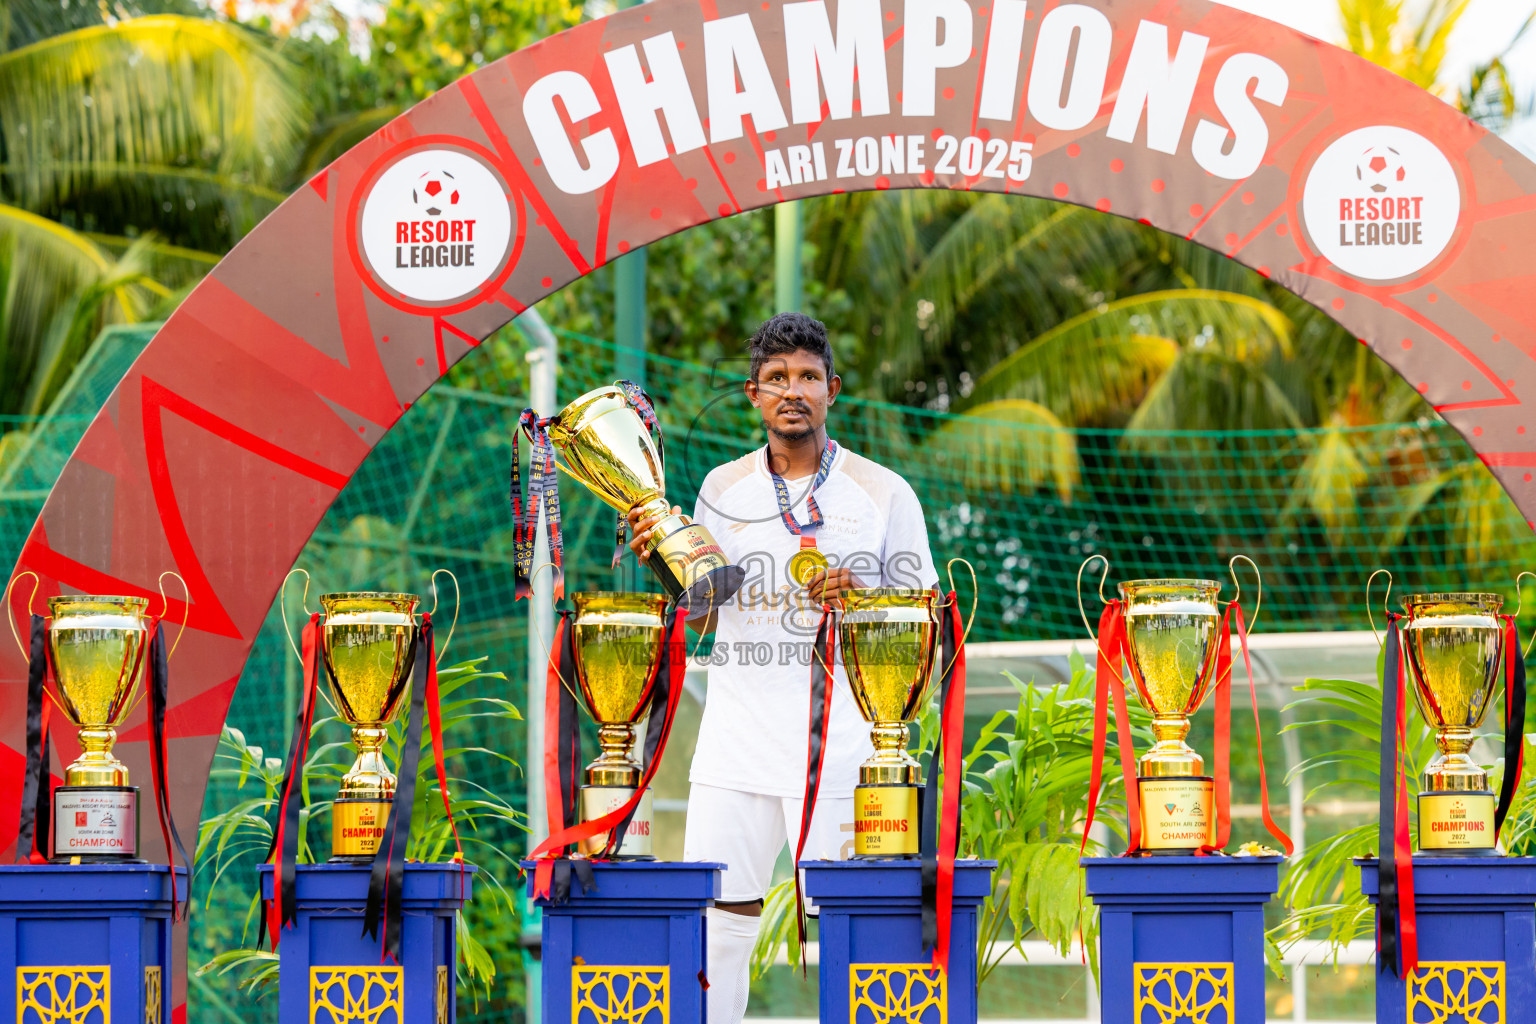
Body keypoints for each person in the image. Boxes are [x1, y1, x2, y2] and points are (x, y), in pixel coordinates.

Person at [627, 312, 937, 1023]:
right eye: (775, 379)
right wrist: (662, 560)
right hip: (735, 745)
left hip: (849, 752)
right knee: (718, 923)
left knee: (860, 926)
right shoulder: (720, 488)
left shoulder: (884, 492)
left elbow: (925, 631)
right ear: (753, 394)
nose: (791, 390)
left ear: (832, 388)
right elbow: (700, 618)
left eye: (806, 377)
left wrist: (863, 601)